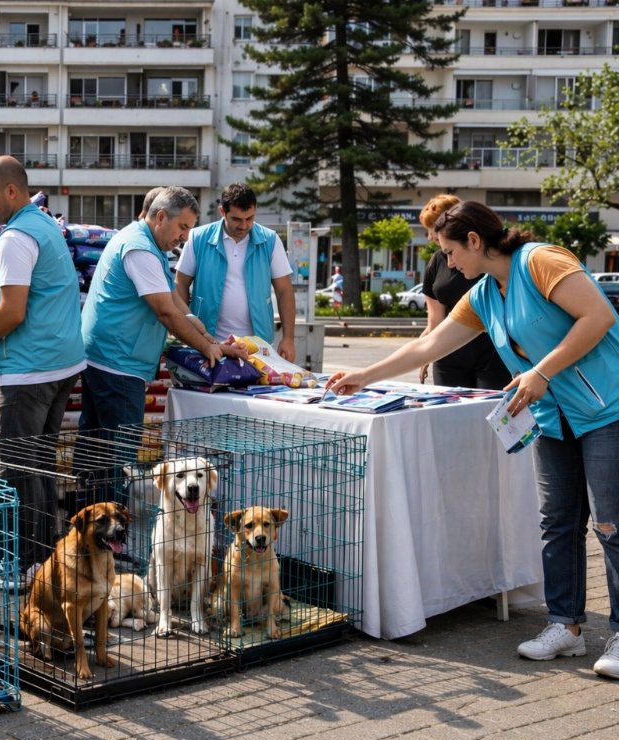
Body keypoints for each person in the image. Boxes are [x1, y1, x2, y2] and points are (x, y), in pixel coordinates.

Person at [326, 200, 619, 678]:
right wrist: (365, 375)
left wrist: (541, 371)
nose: (448, 262)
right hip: (551, 418)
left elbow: (598, 318)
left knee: (611, 525)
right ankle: (565, 627)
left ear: (475, 241)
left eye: (449, 251)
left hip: (607, 409)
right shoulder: (484, 293)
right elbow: (431, 343)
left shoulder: (542, 261)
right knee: (557, 524)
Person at [0, 155, 86, 573]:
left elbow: (12, 311)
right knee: (40, 464)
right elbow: (7, 256)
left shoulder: (16, 237)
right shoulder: (40, 224)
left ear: (10, 190)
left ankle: (27, 566)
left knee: (20, 469)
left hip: (30, 370)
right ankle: (45, 561)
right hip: (61, 364)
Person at [79, 186, 245, 435]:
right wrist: (206, 348)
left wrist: (213, 342)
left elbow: (177, 303)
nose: (186, 237)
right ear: (160, 217)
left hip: (109, 359)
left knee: (95, 450)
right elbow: (166, 312)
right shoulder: (140, 250)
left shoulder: (148, 244)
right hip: (118, 365)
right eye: (183, 227)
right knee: (116, 455)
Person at [173, 182, 297, 362]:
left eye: (250, 218)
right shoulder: (198, 238)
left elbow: (284, 290)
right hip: (208, 343)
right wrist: (186, 329)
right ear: (222, 211)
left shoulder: (270, 240)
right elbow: (180, 284)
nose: (244, 225)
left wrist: (288, 338)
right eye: (237, 219)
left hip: (258, 346)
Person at [417, 194, 510, 388]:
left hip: (492, 352)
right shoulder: (437, 262)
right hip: (448, 353)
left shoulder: (488, 261)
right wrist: (424, 351)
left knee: (490, 412)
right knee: (449, 414)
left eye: (434, 227)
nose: (431, 235)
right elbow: (434, 321)